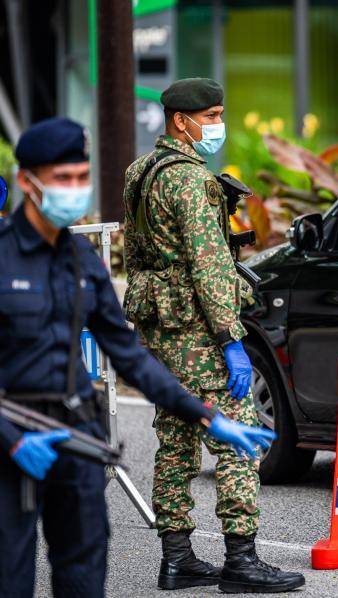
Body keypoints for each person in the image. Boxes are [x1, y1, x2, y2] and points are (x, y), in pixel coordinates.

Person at [0, 117, 276, 598]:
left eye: (81, 177)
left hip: (76, 436)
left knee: (84, 577)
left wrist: (208, 415)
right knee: (12, 576)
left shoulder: (82, 260)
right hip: (13, 437)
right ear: (28, 181)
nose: (75, 189)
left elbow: (130, 357)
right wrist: (10, 439)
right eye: (62, 179)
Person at [122, 79, 304, 593]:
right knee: (238, 442)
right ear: (183, 121)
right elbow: (209, 266)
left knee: (175, 442)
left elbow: (136, 255)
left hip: (160, 327)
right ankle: (242, 561)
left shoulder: (140, 172)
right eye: (213, 114)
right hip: (200, 334)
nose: (218, 124)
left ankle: (177, 559)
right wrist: (230, 338)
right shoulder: (189, 180)